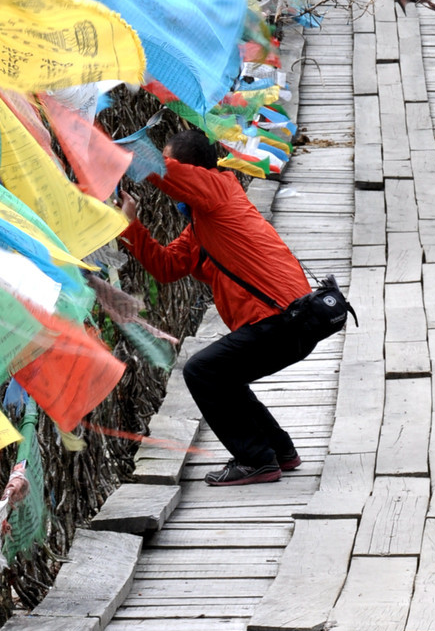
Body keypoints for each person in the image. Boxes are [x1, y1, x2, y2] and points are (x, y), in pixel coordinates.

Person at [119, 127, 317, 487]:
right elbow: (165, 267)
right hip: (288, 323)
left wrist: (115, 149)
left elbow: (162, 172)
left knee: (201, 372)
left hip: (283, 319)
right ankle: (279, 450)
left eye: (171, 163)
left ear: (193, 171)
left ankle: (255, 460)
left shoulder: (219, 188)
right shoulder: (202, 224)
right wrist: (131, 226)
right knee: (224, 374)